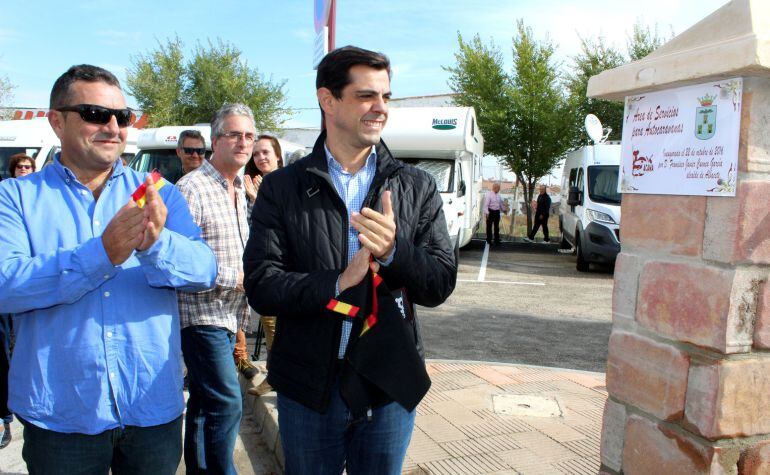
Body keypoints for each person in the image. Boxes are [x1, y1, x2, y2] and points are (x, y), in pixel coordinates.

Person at [243, 46, 456, 474]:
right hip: (309, 388)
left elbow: (439, 284)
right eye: (366, 96)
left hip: (388, 383)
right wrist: (337, 283)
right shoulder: (282, 188)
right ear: (328, 100)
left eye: (386, 97)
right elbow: (263, 285)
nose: (381, 108)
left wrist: (396, 252)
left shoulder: (416, 186)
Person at [0, 64, 217, 474]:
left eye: (123, 116)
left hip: (151, 410)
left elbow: (204, 270)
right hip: (63, 415)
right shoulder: (15, 197)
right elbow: (6, 284)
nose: (114, 127)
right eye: (96, 114)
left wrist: (156, 244)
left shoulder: (161, 192)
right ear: (56, 121)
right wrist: (102, 253)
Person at [175, 103, 255, 474]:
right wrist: (234, 278)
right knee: (227, 402)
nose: (243, 143)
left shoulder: (239, 188)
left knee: (206, 405)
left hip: (228, 315)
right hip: (199, 314)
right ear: (215, 140)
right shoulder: (191, 188)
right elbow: (177, 260)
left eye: (249, 136)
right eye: (234, 134)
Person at [242, 135, 283, 396]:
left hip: (286, 265)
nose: (261, 158)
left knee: (278, 323)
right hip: (262, 262)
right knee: (269, 320)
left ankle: (277, 377)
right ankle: (274, 375)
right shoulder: (258, 182)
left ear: (278, 155)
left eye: (266, 152)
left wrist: (256, 198)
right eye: (256, 154)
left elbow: (281, 224)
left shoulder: (289, 182)